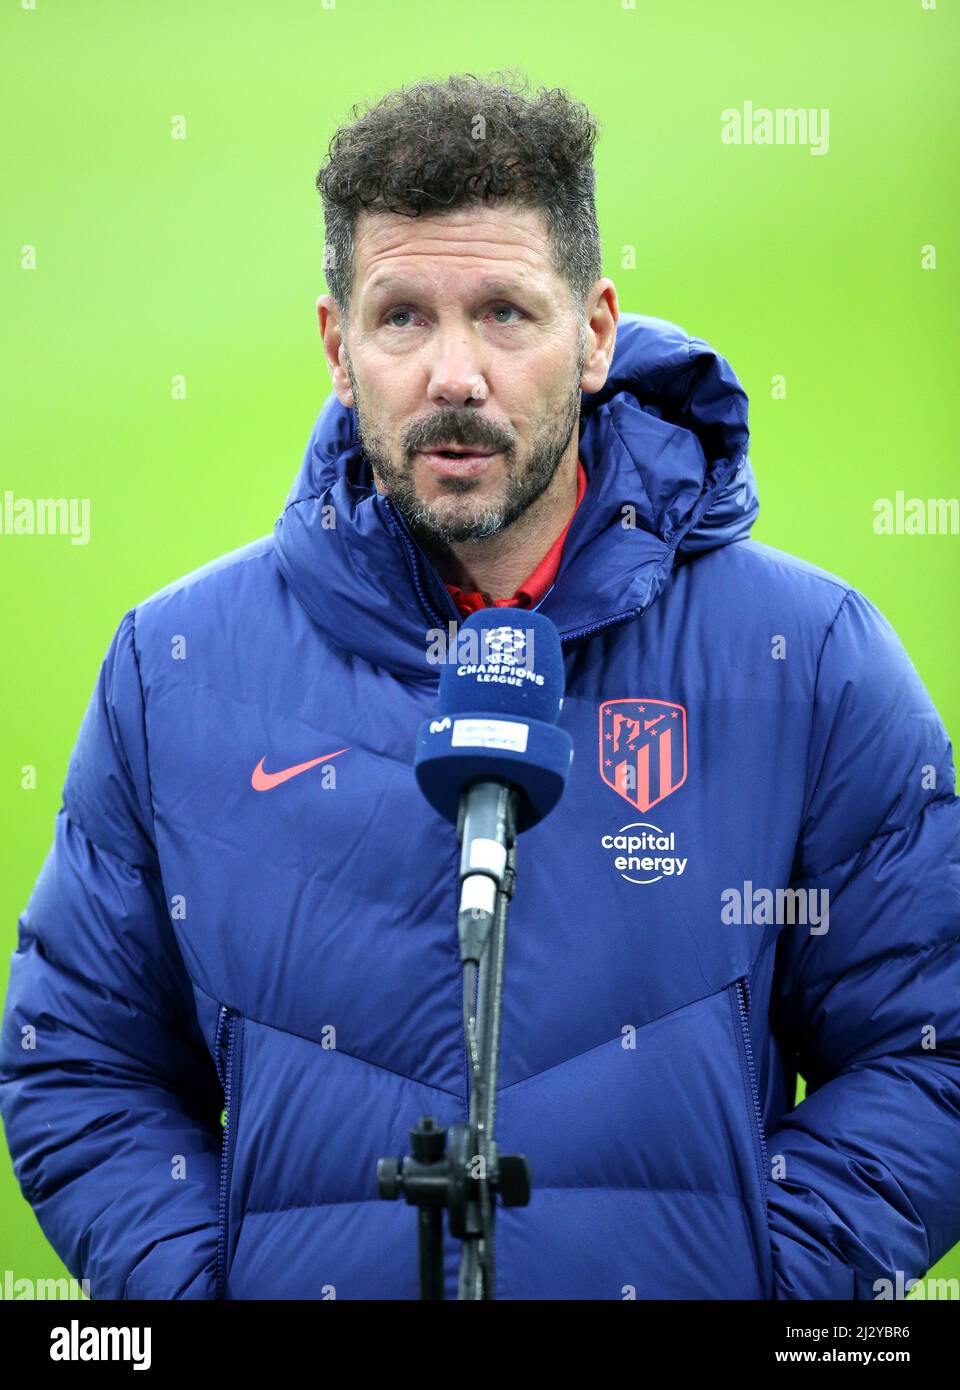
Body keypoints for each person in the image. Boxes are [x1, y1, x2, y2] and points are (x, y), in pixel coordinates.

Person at [1, 71, 958, 1301]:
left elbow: (927, 1051)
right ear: (338, 347)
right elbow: (79, 1062)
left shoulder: (807, 657)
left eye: (506, 313)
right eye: (403, 317)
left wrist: (758, 1278)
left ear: (597, 332)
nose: (455, 374)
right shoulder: (173, 670)